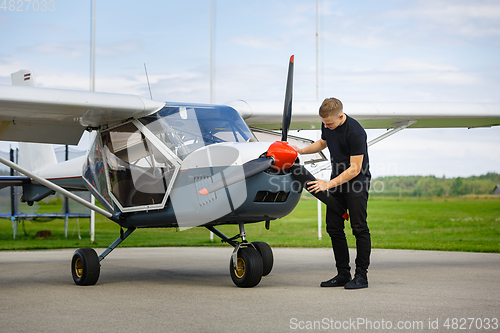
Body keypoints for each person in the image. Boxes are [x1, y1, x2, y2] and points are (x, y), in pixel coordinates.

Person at [294, 97, 371, 289]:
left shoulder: (356, 132)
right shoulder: (328, 126)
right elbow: (322, 143)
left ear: (341, 116)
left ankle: (361, 276)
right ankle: (343, 273)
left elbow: (355, 169)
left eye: (329, 123)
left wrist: (327, 185)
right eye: (324, 123)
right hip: (336, 181)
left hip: (356, 183)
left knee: (359, 227)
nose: (326, 127)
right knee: (334, 227)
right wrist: (301, 151)